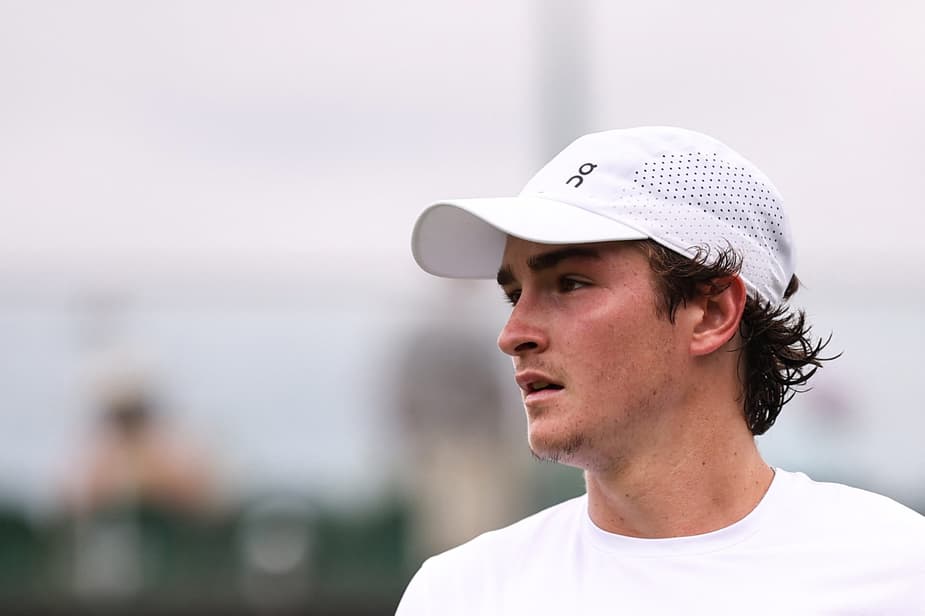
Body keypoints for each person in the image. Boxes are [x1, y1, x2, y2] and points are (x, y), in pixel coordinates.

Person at [396, 127, 925, 614]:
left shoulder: (899, 573)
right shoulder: (460, 595)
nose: (512, 334)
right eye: (514, 294)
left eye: (571, 283)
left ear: (712, 314)